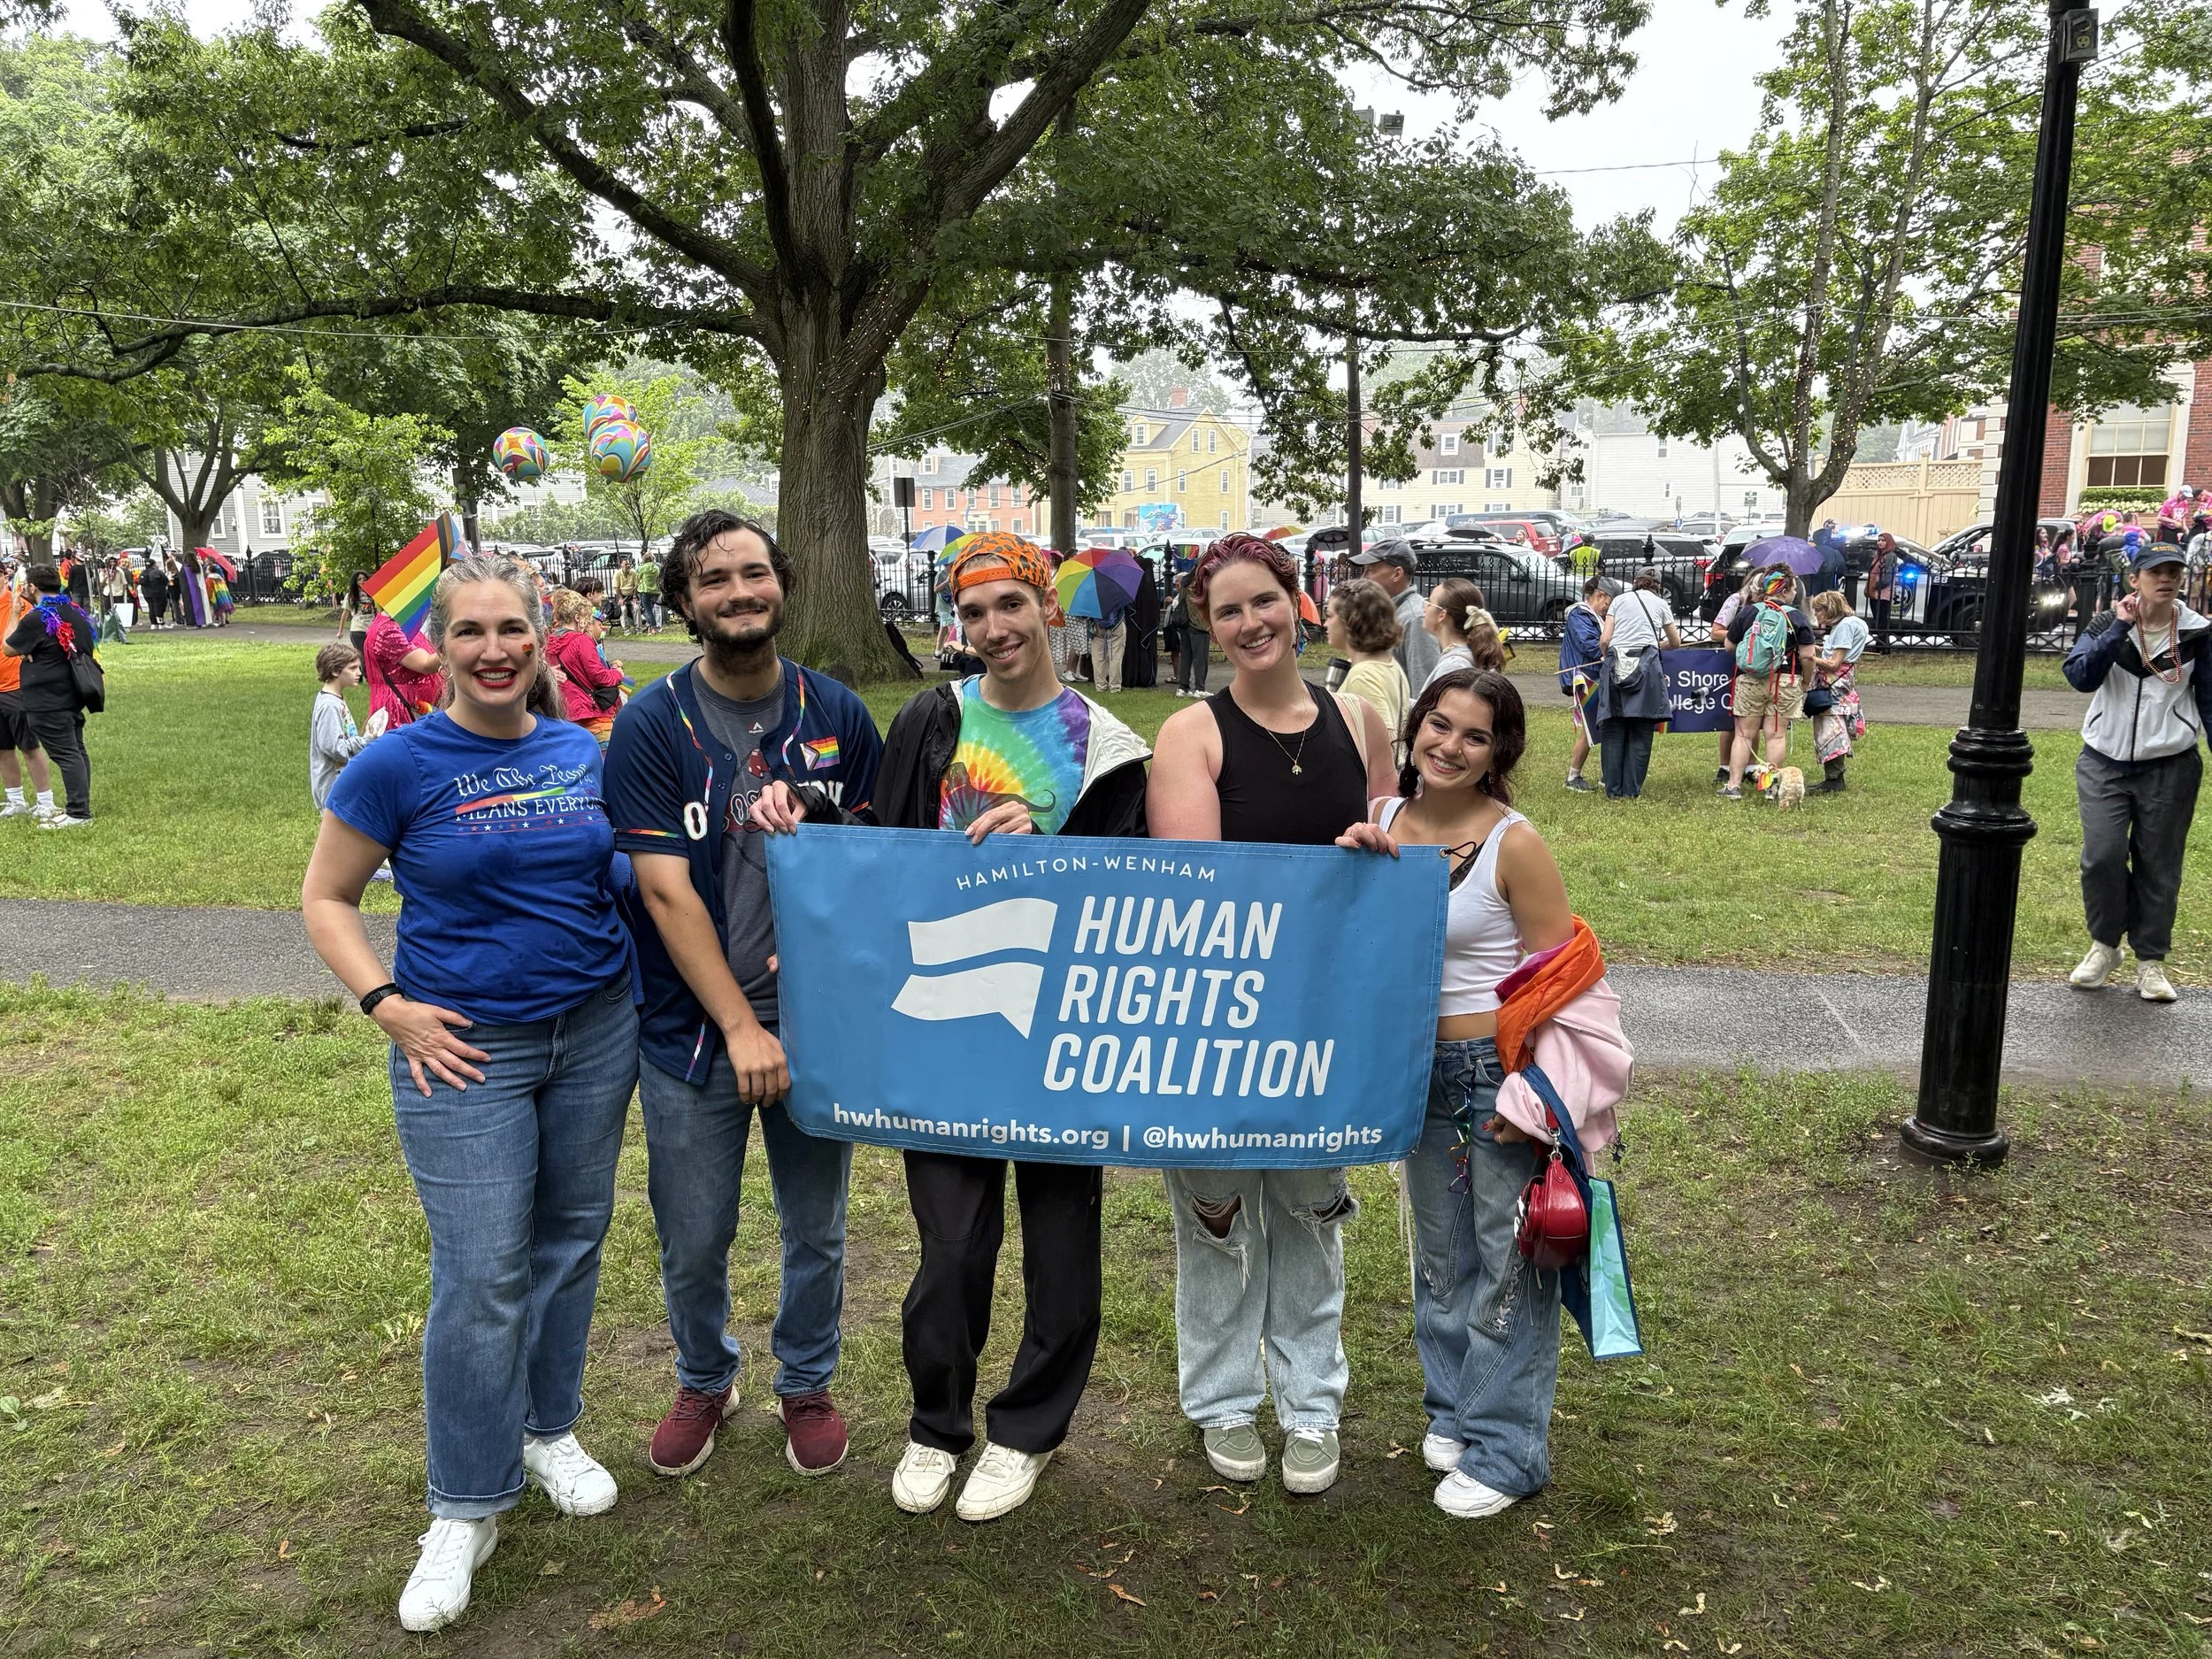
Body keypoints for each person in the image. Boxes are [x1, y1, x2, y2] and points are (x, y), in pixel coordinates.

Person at [749, 530, 1147, 1523]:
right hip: (946, 1017)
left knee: (1061, 1245)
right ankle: (938, 1424)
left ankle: (1028, 1432)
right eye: (973, 612)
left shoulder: (1107, 746)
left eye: (1011, 604)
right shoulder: (934, 715)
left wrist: (1045, 850)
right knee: (951, 1246)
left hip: (1060, 1033)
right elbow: (879, 846)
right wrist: (801, 822)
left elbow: (1130, 889)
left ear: (1049, 608)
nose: (994, 627)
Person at [303, 556, 635, 1634]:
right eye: (470, 633)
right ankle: (463, 1503)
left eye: (512, 630)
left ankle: (547, 1430)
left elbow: (618, 873)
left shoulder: (578, 752)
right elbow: (326, 897)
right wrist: (384, 1002)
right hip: (460, 1050)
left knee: (571, 1241)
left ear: (541, 638)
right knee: (482, 1271)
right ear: (435, 647)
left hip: (594, 1030)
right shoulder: (395, 763)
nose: (495, 650)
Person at [603, 510, 885, 1484]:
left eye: (754, 574)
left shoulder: (838, 712)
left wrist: (821, 810)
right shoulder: (648, 724)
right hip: (692, 1037)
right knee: (695, 1231)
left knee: (817, 1227)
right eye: (714, 580)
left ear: (784, 583)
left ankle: (805, 1382)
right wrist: (735, 1025)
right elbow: (664, 889)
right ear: (684, 601)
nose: (738, 594)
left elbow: (874, 862)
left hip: (814, 1029)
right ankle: (703, 1377)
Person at [1145, 532, 1396, 1497]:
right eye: (1225, 611)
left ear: (1298, 603)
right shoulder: (1192, 735)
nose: (1248, 623)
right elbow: (1204, 892)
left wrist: (1384, 838)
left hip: (1326, 1023)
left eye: (1262, 602)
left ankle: (1310, 1403)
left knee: (1309, 1212)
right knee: (1216, 1219)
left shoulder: (1359, 721)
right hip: (1216, 1024)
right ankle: (1219, 1400)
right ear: (1208, 629)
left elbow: (1398, 846)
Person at [1343, 668, 1577, 1518]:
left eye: (1473, 736)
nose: (1449, 745)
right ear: (1414, 727)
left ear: (1497, 753)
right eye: (1438, 725)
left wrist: (1537, 1096)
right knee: (1441, 1260)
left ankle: (1509, 1448)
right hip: (1412, 1071)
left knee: (1509, 1257)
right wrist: (1355, 874)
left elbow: (1561, 976)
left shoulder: (1514, 841)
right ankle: (1454, 1410)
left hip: (1496, 1071)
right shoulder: (1378, 822)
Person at [2060, 541, 2212, 1002]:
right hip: (2103, 762)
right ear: (2135, 580)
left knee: (2159, 864)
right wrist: (2120, 628)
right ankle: (2105, 946)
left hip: (2170, 764)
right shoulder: (2108, 624)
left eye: (2174, 572)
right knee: (2102, 856)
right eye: (2156, 572)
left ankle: (2150, 962)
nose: (2166, 579)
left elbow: (2209, 701)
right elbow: (2081, 676)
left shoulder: (2198, 633)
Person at [1, 564, 96, 829]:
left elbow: (7, 647)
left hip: (48, 698)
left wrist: (15, 615)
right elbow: (86, 647)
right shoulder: (75, 611)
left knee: (66, 753)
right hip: (72, 692)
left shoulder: (38, 617)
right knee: (76, 749)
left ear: (32, 587)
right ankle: (81, 806)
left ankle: (78, 812)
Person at [1723, 567, 1817, 799]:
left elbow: (1729, 646)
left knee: (1744, 734)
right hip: (1785, 681)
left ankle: (1733, 786)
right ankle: (1770, 787)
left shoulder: (1749, 612)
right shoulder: (1796, 617)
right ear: (1785, 590)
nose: (1795, 593)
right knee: (1776, 735)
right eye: (1794, 588)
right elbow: (1807, 656)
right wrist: (1805, 681)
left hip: (1751, 679)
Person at [1588, 569, 1679, 800]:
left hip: (1616, 664)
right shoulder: (1660, 604)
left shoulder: (1619, 600)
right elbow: (1675, 642)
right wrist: (1657, 644)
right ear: (1657, 586)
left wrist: (1606, 655)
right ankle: (1632, 791)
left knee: (1614, 729)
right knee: (1641, 729)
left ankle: (1613, 791)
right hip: (1647, 669)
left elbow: (1606, 639)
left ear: (1635, 583)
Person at [1327, 579, 1411, 761]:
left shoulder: (1364, 675)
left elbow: (1388, 748)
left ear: (1349, 620)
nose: (1325, 624)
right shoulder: (1389, 664)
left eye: (1329, 615)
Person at [0, 568, 56, 819]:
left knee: (29, 746)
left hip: (16, 686)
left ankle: (45, 801)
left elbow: (39, 634)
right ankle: (15, 799)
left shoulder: (20, 604)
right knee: (3, 749)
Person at [1348, 539, 1440, 688]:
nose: (1364, 577)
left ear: (1397, 574)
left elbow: (1424, 692)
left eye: (1371, 569)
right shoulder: (1390, 613)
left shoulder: (1414, 619)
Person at [1807, 589, 1869, 794]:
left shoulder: (1844, 627)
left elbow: (1834, 663)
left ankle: (1834, 779)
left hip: (1833, 683)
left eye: (1818, 610)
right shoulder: (1854, 623)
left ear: (1829, 609)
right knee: (1834, 725)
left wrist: (1809, 659)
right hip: (1842, 682)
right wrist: (1814, 649)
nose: (1816, 615)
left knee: (1830, 726)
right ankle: (1833, 776)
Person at [548, 589, 626, 744]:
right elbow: (599, 676)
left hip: (562, 717)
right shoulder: (581, 640)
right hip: (592, 717)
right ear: (577, 617)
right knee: (603, 764)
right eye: (586, 616)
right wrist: (617, 673)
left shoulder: (549, 643)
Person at [309, 641, 377, 811]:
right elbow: (334, 747)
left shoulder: (335, 698)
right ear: (334, 670)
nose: (359, 673)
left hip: (342, 783)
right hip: (333, 788)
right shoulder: (330, 705)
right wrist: (365, 740)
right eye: (353, 668)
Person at [1558, 575, 1610, 792]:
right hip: (1583, 678)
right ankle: (1573, 777)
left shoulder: (1592, 616)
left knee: (1600, 726)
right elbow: (1589, 645)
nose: (1608, 608)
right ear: (1599, 596)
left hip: (1592, 675)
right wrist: (1613, 647)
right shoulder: (1580, 615)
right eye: (1608, 602)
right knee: (1589, 728)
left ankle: (1604, 775)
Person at [364, 594, 447, 730]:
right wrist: (455, 644)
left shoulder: (400, 623)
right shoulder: (388, 630)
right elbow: (425, 664)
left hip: (414, 706)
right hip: (400, 712)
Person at [1420, 576, 1506, 687]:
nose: (1425, 609)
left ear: (1442, 615)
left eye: (1430, 603)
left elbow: (1441, 705)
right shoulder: (1468, 655)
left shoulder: (1454, 666)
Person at [1170, 570, 1210, 697]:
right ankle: (1200, 688)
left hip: (1185, 623)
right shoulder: (1200, 582)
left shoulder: (1186, 580)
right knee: (1200, 658)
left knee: (1186, 657)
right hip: (1198, 624)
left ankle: (1183, 688)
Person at [1125, 556, 1162, 689]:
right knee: (1143, 648)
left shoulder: (1131, 585)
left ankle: (1131, 676)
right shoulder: (1149, 588)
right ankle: (1144, 677)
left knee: (1132, 648)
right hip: (1144, 625)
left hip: (1132, 625)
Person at [1867, 532, 1900, 653]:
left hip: (1882, 593)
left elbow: (1887, 577)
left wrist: (1875, 585)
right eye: (1879, 540)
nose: (1880, 542)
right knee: (1879, 620)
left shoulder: (1890, 556)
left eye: (1883, 540)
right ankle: (1881, 645)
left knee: (1882, 621)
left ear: (1888, 542)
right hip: (1874, 593)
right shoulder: (1879, 556)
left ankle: (1883, 647)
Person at [339, 572, 371, 657]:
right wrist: (340, 631)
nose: (362, 581)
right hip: (358, 630)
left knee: (372, 657)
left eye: (364, 579)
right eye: (359, 579)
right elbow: (345, 613)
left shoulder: (372, 594)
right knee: (363, 658)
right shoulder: (350, 595)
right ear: (355, 582)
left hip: (371, 630)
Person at [138, 557, 171, 634]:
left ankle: (153, 623)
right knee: (159, 607)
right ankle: (160, 623)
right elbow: (166, 580)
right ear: (154, 565)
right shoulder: (157, 572)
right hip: (158, 593)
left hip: (146, 594)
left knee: (151, 607)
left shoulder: (142, 573)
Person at [634, 551, 662, 632]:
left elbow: (638, 578)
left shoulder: (642, 568)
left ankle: (654, 628)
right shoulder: (656, 568)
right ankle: (650, 628)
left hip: (645, 591)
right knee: (651, 609)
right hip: (655, 591)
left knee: (649, 611)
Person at [613, 556, 639, 631]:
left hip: (631, 596)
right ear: (621, 566)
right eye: (626, 564)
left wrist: (634, 596)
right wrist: (621, 598)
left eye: (629, 564)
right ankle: (626, 629)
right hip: (621, 595)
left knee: (636, 608)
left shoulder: (633, 573)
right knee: (623, 609)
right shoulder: (617, 574)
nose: (628, 566)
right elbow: (616, 588)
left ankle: (638, 629)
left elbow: (636, 586)